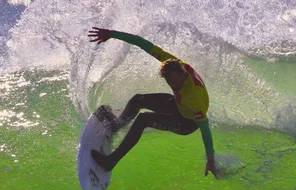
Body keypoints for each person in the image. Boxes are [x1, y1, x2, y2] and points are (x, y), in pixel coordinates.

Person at [88, 27, 218, 178]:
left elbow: (205, 129)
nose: (172, 85)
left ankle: (111, 161)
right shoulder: (175, 64)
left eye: (174, 80)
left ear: (182, 74)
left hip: (186, 123)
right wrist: (112, 34)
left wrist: (210, 159)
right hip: (178, 105)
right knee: (138, 100)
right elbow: (141, 43)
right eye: (168, 81)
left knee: (144, 119)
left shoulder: (194, 98)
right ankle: (116, 126)